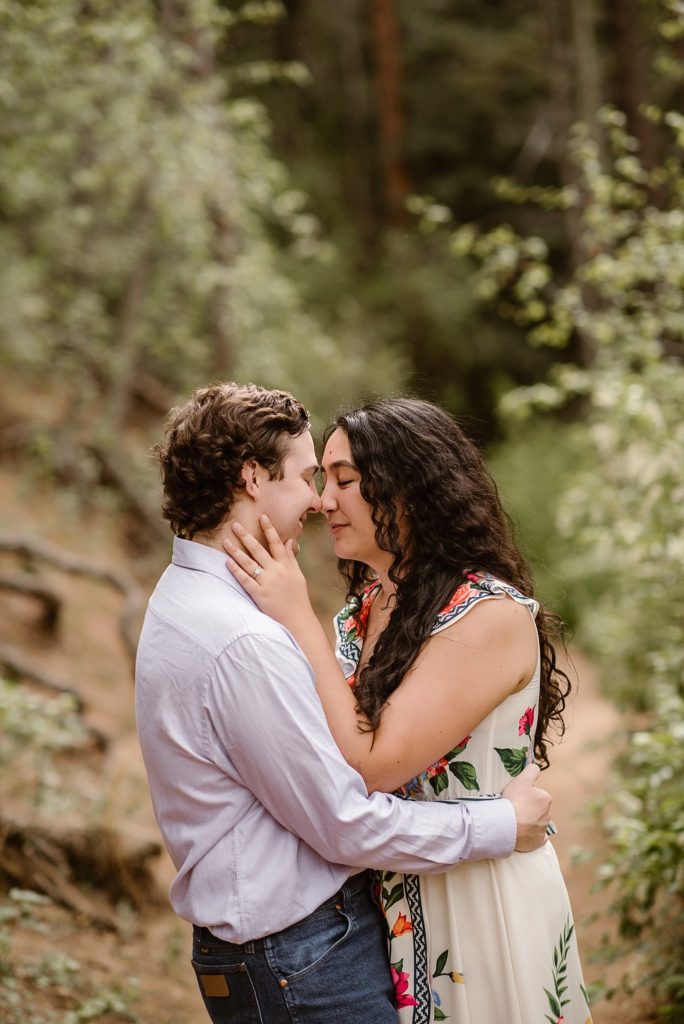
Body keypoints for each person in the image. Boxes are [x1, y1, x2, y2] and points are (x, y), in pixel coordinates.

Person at [135, 382, 552, 1024]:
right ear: (252, 477)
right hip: (331, 934)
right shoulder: (270, 632)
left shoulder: (195, 601)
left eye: (340, 479)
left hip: (464, 902)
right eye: (311, 476)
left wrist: (298, 617)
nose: (318, 500)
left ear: (406, 487)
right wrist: (498, 824)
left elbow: (354, 766)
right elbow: (344, 815)